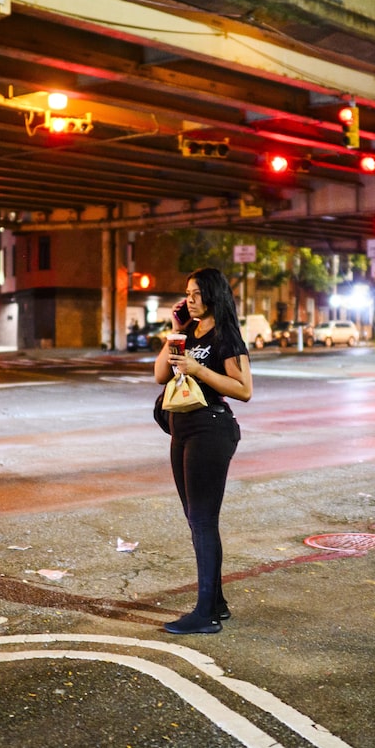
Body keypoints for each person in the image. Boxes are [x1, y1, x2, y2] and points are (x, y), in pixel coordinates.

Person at [153, 267, 253, 634]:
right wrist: (175, 332)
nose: (189, 300)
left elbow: (244, 389)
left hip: (210, 431)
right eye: (187, 294)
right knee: (194, 519)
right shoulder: (188, 332)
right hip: (182, 430)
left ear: (212, 295)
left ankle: (205, 615)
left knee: (203, 520)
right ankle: (217, 603)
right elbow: (160, 375)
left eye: (196, 294)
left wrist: (198, 369)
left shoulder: (226, 335)